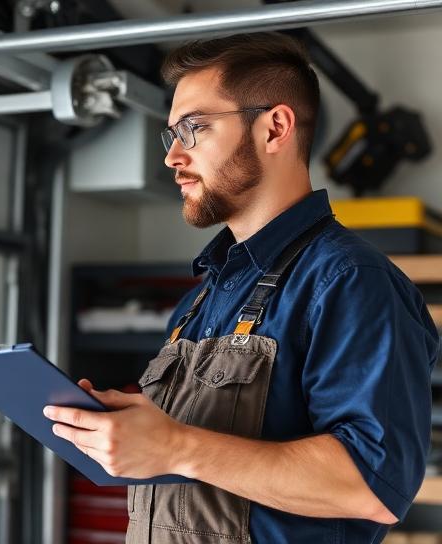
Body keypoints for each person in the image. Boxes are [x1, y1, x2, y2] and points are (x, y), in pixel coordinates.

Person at [43, 32, 440, 543]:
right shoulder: (201, 299)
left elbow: (372, 486)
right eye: (172, 135)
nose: (172, 157)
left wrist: (176, 446)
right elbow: (192, 460)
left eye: (195, 128)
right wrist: (126, 431)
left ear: (274, 128)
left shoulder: (349, 282)